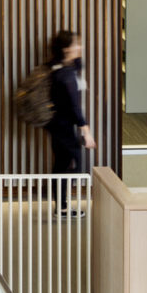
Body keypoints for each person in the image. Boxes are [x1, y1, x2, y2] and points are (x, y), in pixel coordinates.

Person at [45, 29, 94, 217]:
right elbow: (74, 106)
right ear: (66, 49)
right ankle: (62, 205)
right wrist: (86, 132)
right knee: (73, 165)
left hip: (59, 125)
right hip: (63, 127)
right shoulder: (65, 74)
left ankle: (60, 204)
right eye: (75, 44)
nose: (80, 47)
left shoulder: (63, 67)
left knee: (63, 165)